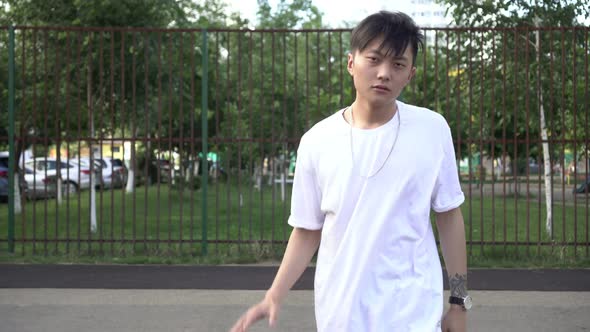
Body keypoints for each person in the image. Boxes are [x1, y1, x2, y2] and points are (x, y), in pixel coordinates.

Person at [230, 11, 470, 332]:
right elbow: (306, 230)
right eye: (374, 59)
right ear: (350, 63)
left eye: (398, 65)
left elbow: (449, 216)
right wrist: (274, 295)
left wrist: (458, 301)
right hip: (341, 313)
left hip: (413, 312)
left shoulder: (431, 129)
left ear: (410, 74)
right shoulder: (317, 140)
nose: (384, 73)